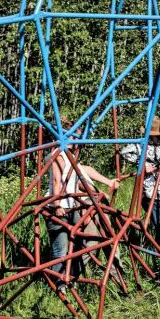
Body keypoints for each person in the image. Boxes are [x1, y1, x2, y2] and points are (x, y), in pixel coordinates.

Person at [46, 117, 120, 293]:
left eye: (78, 137)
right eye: (74, 137)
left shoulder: (71, 157)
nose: (77, 141)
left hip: (71, 208)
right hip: (58, 208)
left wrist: (108, 181)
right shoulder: (57, 155)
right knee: (61, 250)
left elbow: (85, 170)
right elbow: (56, 181)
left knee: (80, 246)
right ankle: (60, 286)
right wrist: (57, 205)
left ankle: (72, 280)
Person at [121, 116, 160, 249]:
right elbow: (124, 152)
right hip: (149, 189)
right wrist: (142, 164)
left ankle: (157, 248)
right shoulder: (142, 144)